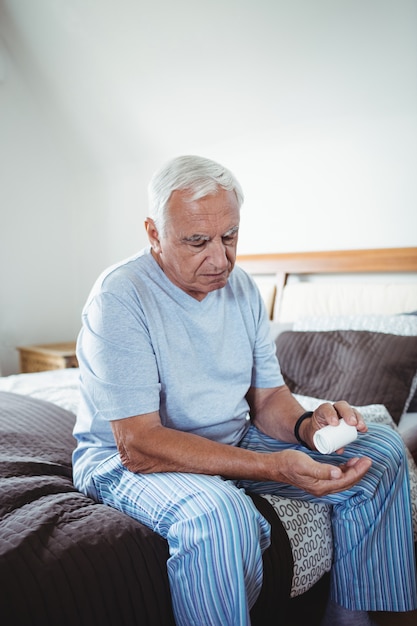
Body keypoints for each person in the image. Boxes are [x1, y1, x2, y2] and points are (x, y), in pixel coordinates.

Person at [72, 155, 416, 626]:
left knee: (382, 448)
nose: (220, 259)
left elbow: (269, 400)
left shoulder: (244, 289)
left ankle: (353, 618)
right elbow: (139, 444)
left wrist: (307, 427)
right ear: (154, 232)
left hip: (230, 438)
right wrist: (273, 467)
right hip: (127, 454)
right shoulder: (120, 297)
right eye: (197, 241)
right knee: (220, 518)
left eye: (229, 236)